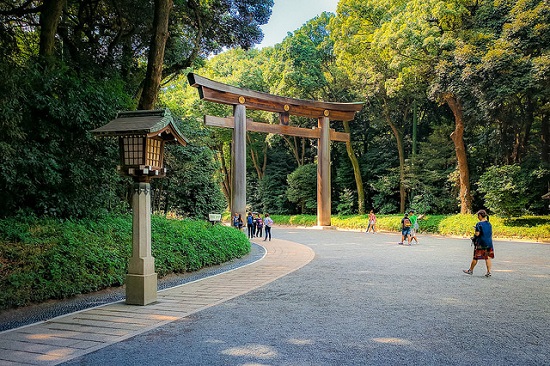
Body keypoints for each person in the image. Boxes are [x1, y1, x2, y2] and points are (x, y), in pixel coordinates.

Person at [464, 209, 494, 277]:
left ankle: (470, 270)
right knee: (487, 257)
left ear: (480, 215)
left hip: (481, 243)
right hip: (488, 243)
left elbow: (477, 234)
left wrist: (474, 235)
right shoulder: (489, 223)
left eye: (478, 216)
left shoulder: (479, 224)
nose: (478, 217)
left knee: (475, 257)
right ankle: (489, 272)